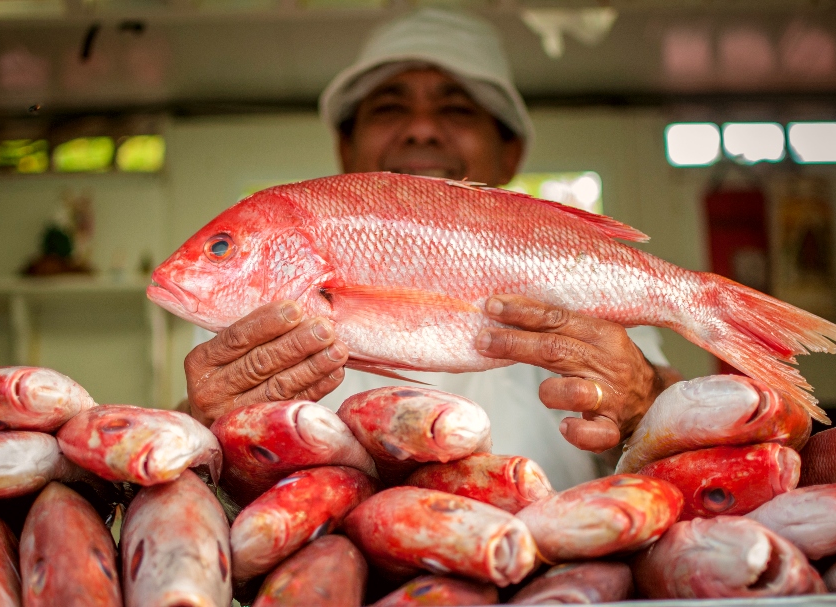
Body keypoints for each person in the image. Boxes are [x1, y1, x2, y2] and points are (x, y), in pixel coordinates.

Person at [182, 8, 681, 488]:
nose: (421, 128)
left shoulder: (568, 263)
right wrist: (204, 432)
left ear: (510, 152)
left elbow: (677, 433)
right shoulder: (243, 305)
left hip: (554, 568)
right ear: (344, 147)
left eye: (456, 108)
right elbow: (197, 481)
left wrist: (646, 404)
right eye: (390, 107)